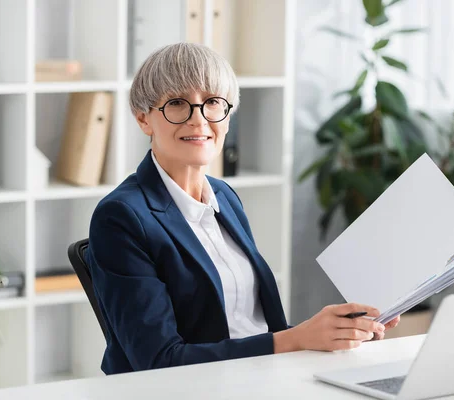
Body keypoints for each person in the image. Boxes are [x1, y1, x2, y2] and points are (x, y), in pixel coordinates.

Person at [86, 42, 400, 375]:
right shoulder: (121, 217)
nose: (199, 119)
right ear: (143, 119)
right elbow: (159, 361)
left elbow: (254, 326)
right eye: (178, 103)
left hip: (258, 377)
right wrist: (295, 339)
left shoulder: (224, 197)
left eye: (213, 103)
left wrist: (335, 332)